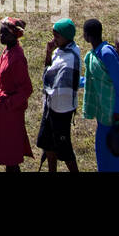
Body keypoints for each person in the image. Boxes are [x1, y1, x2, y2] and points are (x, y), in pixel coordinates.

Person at [0, 17, 32, 171]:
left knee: (11, 155)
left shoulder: (17, 57)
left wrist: (8, 105)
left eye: (5, 33)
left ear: (14, 35)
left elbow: (26, 89)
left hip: (11, 111)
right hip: (4, 108)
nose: (1, 36)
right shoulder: (7, 51)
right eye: (0, 32)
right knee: (6, 153)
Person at [82, 18, 119, 171]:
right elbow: (94, 79)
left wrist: (118, 112)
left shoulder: (106, 53)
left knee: (116, 157)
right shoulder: (95, 54)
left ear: (87, 35)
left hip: (116, 116)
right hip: (104, 115)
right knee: (103, 157)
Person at [38, 18, 81, 171]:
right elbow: (47, 70)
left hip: (62, 109)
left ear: (67, 37)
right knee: (48, 144)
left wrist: (52, 92)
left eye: (57, 36)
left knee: (64, 148)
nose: (53, 39)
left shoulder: (71, 57)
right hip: (51, 105)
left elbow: (64, 86)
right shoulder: (58, 52)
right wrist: (48, 52)